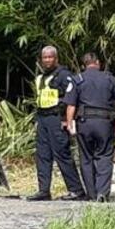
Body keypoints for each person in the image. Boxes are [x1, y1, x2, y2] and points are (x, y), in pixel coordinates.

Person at [64, 52, 115, 201]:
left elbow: (71, 105)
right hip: (105, 123)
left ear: (84, 64)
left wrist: (70, 123)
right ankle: (102, 193)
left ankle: (91, 194)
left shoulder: (77, 79)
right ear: (98, 63)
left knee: (86, 158)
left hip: (84, 123)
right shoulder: (109, 79)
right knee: (105, 156)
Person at [27, 46, 86, 201]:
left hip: (57, 118)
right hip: (42, 118)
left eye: (50, 57)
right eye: (44, 57)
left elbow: (72, 98)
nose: (47, 60)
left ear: (56, 58)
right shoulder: (40, 77)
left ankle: (76, 190)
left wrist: (67, 119)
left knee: (62, 154)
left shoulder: (64, 75)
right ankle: (43, 191)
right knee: (42, 155)